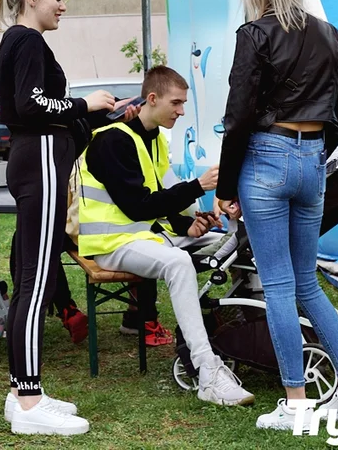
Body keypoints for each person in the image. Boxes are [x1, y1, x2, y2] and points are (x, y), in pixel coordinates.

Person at [215, 0, 338, 430]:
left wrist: (225, 185)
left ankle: (297, 402)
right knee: (307, 281)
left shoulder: (254, 33)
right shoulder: (330, 34)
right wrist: (313, 157)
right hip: (312, 160)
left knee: (280, 285)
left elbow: (239, 114)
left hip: (267, 156)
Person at [0, 0, 137, 436]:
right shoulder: (28, 40)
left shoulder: (20, 41)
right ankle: (30, 401)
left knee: (31, 276)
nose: (63, 6)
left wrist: (97, 116)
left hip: (38, 158)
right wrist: (84, 103)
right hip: (40, 163)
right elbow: (32, 106)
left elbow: (39, 112)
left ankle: (23, 392)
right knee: (35, 279)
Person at [79, 65, 254, 407]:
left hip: (145, 238)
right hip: (112, 245)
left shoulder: (155, 139)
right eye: (176, 102)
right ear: (153, 98)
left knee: (237, 242)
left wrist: (187, 224)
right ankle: (207, 371)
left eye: (184, 103)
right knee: (178, 264)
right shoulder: (112, 140)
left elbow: (164, 193)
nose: (181, 110)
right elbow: (138, 206)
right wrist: (199, 186)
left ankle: (241, 334)